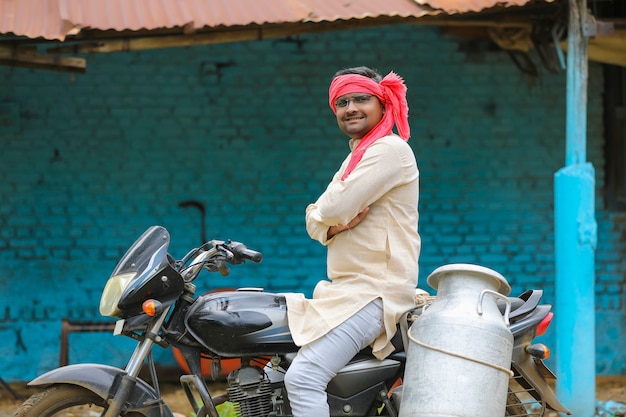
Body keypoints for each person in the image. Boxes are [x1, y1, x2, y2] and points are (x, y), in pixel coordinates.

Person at [283, 66, 421, 417]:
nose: (351, 108)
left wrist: (328, 217)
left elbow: (334, 205)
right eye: (342, 102)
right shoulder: (358, 155)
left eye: (361, 99)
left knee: (303, 378)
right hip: (348, 293)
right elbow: (319, 220)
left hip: (375, 293)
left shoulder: (388, 150)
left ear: (383, 102)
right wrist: (330, 224)